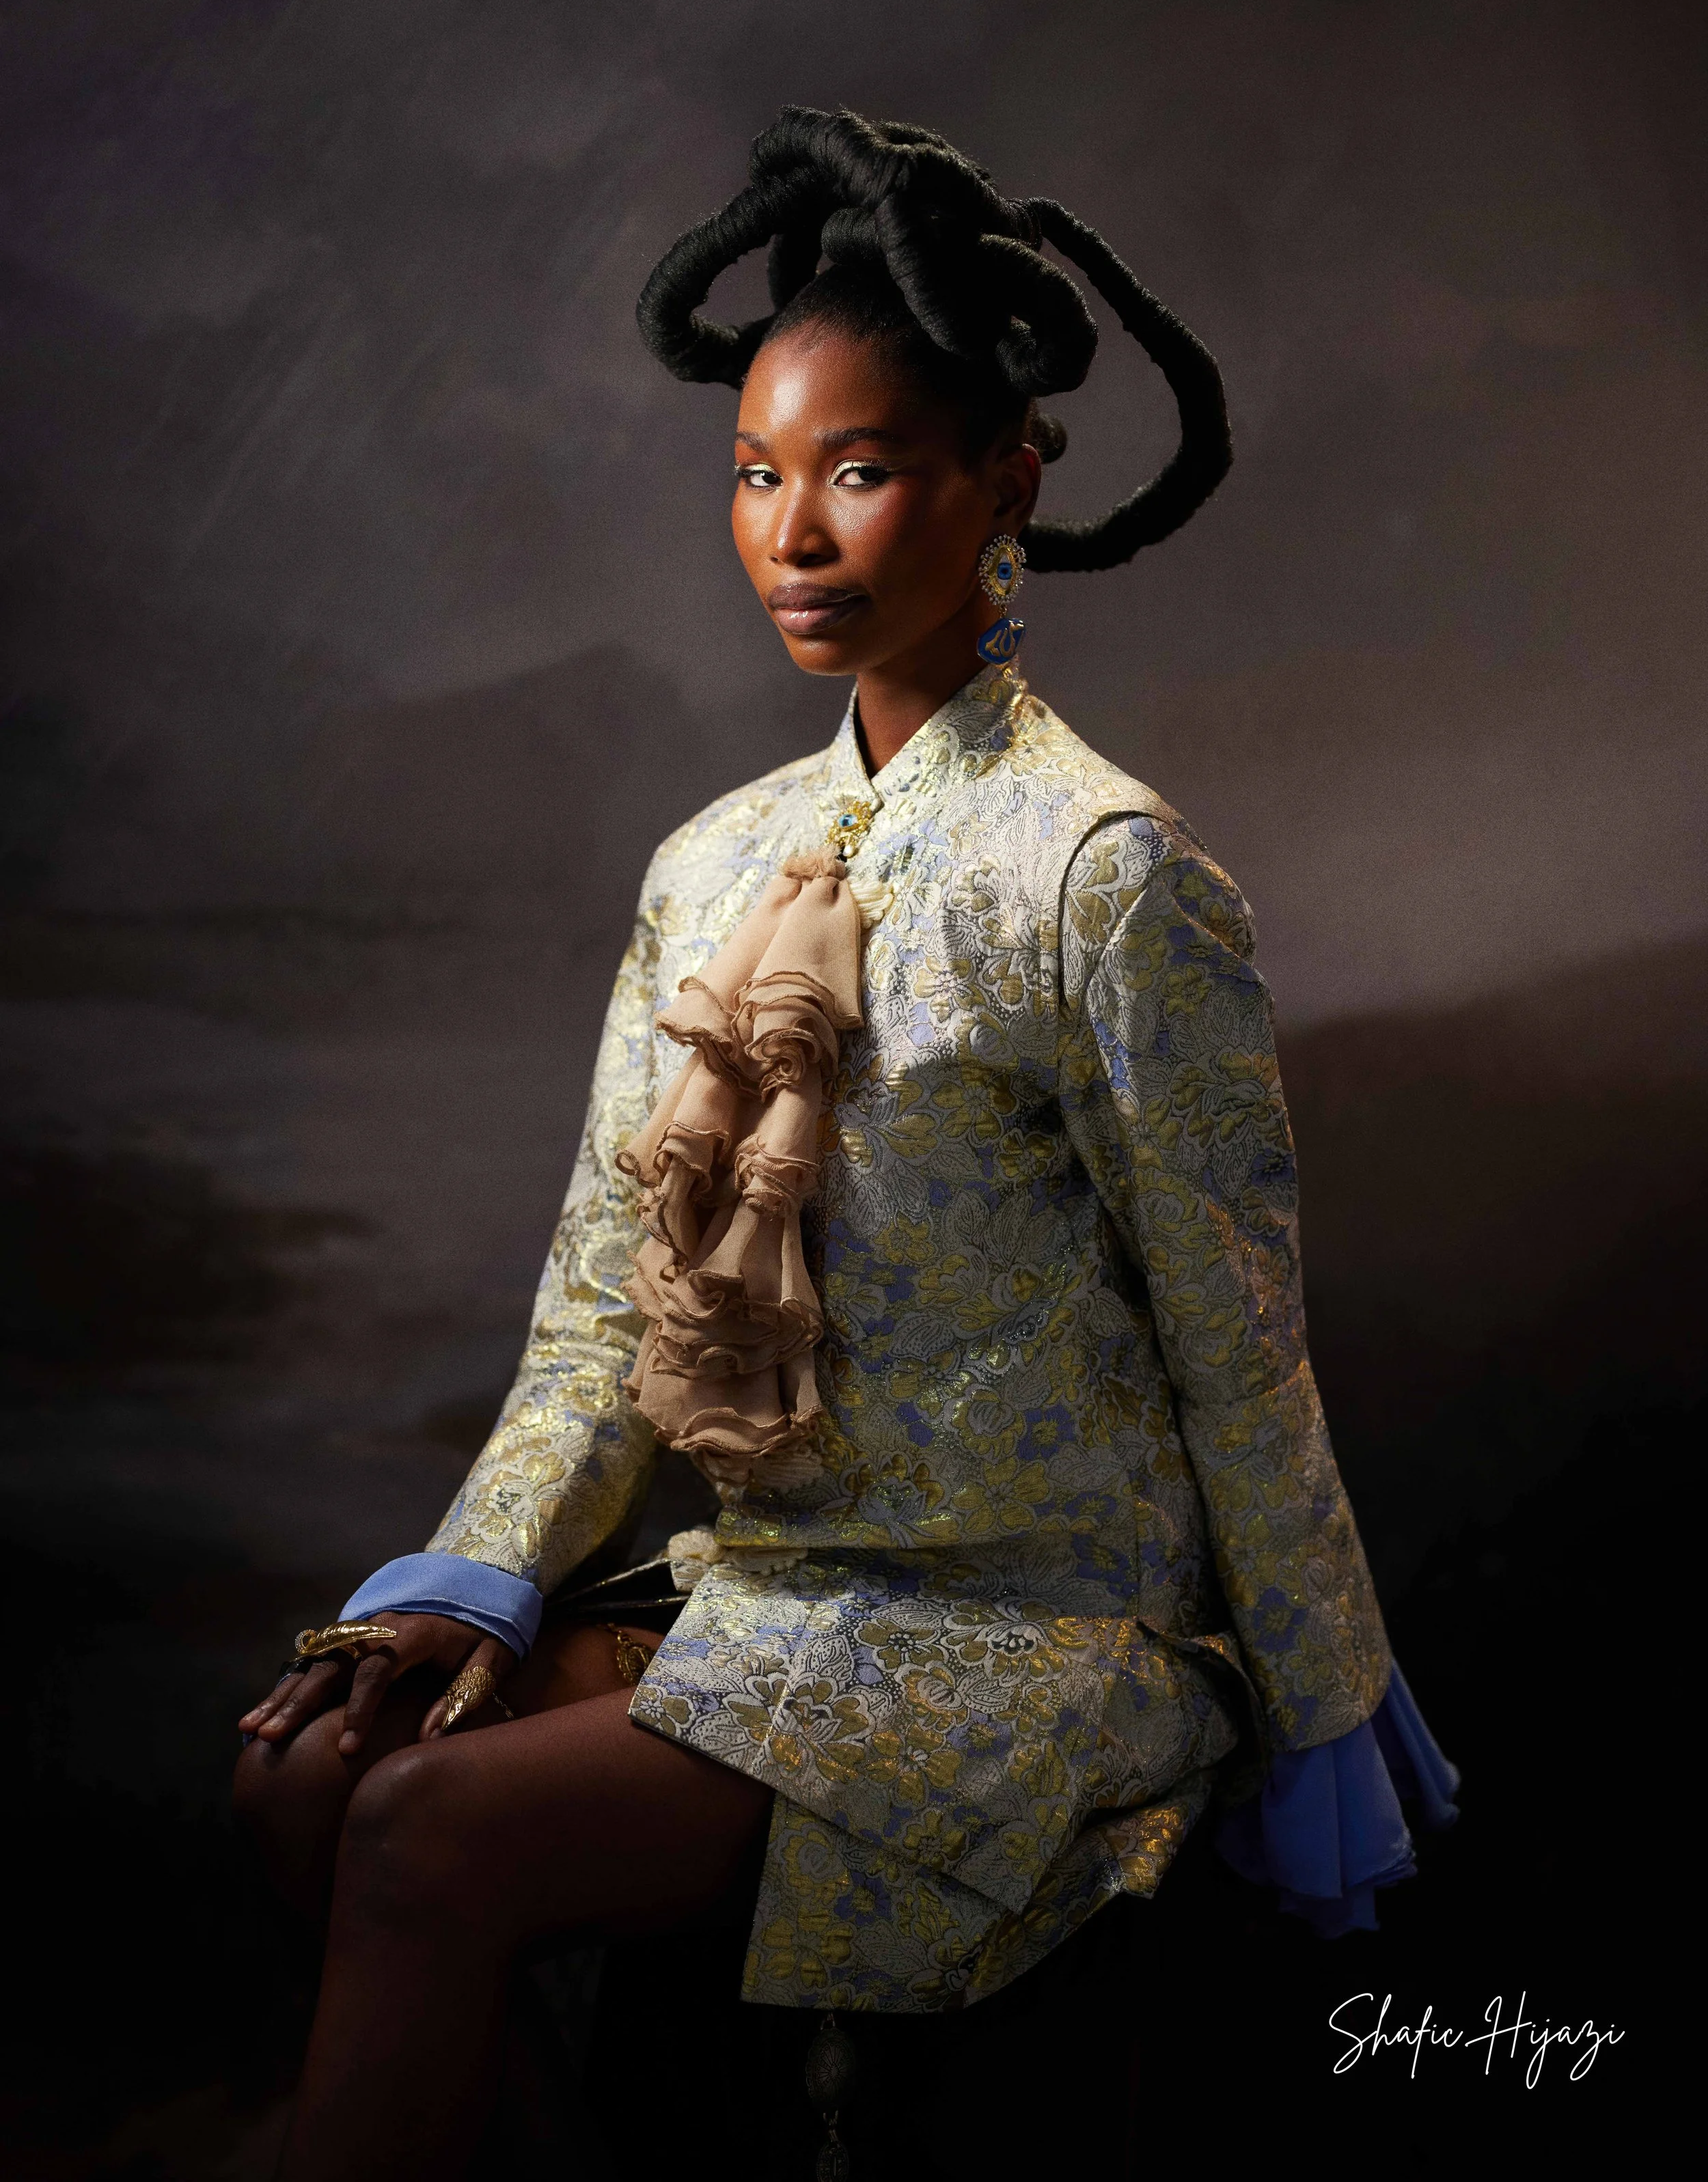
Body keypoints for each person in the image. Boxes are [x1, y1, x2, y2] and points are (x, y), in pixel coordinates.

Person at [234, 107, 1457, 2181]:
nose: (794, 533)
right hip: (756, 1594)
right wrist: (480, 1573)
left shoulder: (1104, 869)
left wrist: (1329, 1702)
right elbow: (602, 1310)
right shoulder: (706, 866)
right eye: (754, 475)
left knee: (437, 1832)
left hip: (1023, 1631)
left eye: (859, 470)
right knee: (316, 1768)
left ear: (1006, 480)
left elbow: (1237, 1334)